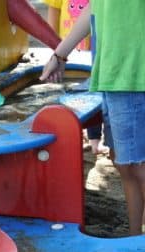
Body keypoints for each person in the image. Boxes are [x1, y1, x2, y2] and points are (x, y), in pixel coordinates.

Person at [40, 0, 145, 235]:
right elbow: (95, 5)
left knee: (142, 167)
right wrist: (61, 53)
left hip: (132, 70)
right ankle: (136, 240)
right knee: (124, 164)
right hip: (111, 72)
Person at [42, 0, 107, 155]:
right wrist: (57, 48)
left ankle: (95, 137)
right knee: (85, 92)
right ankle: (91, 137)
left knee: (96, 89)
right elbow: (54, 9)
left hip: (94, 45)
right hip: (70, 45)